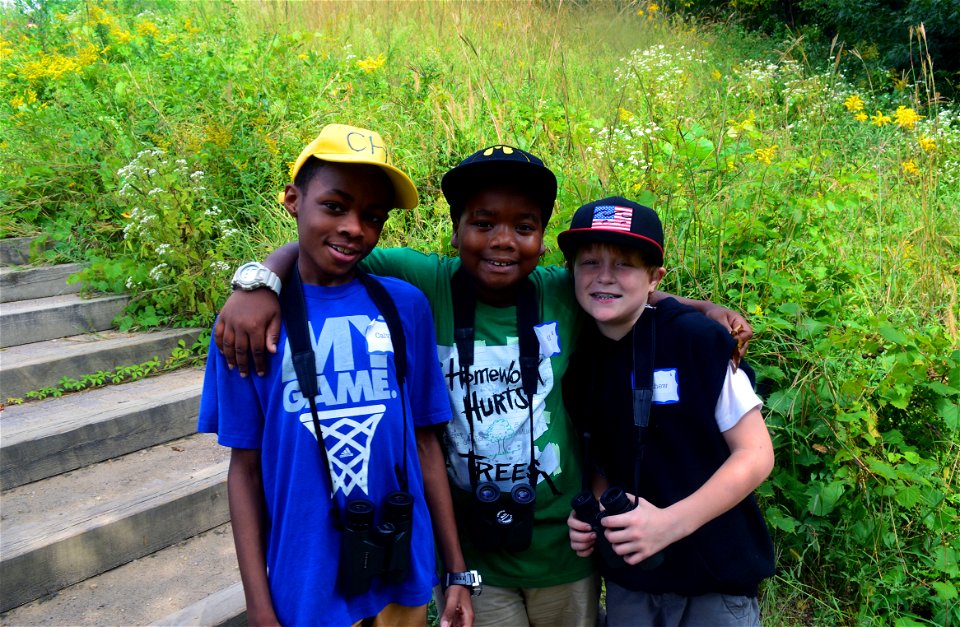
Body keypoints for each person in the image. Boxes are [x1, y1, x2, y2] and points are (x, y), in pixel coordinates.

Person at [213, 147, 754, 626]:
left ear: (544, 242)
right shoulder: (425, 281)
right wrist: (257, 280)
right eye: (482, 222)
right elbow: (323, 245)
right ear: (454, 231)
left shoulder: (561, 290)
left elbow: (619, 286)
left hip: (564, 547)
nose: (503, 241)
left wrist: (701, 310)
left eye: (524, 227)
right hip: (477, 552)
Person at [197, 124, 473, 627]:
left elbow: (428, 444)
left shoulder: (404, 306)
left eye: (372, 217)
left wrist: (455, 572)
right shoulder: (246, 325)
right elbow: (246, 469)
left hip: (399, 566)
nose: (354, 228)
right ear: (292, 200)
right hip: (306, 581)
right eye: (334, 206)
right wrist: (258, 607)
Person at [559, 197, 776, 627]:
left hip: (716, 575)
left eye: (624, 265)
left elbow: (755, 454)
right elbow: (598, 459)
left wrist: (670, 524)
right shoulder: (576, 355)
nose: (604, 276)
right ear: (571, 272)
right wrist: (597, 512)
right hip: (633, 581)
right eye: (590, 263)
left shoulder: (698, 340)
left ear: (655, 277)